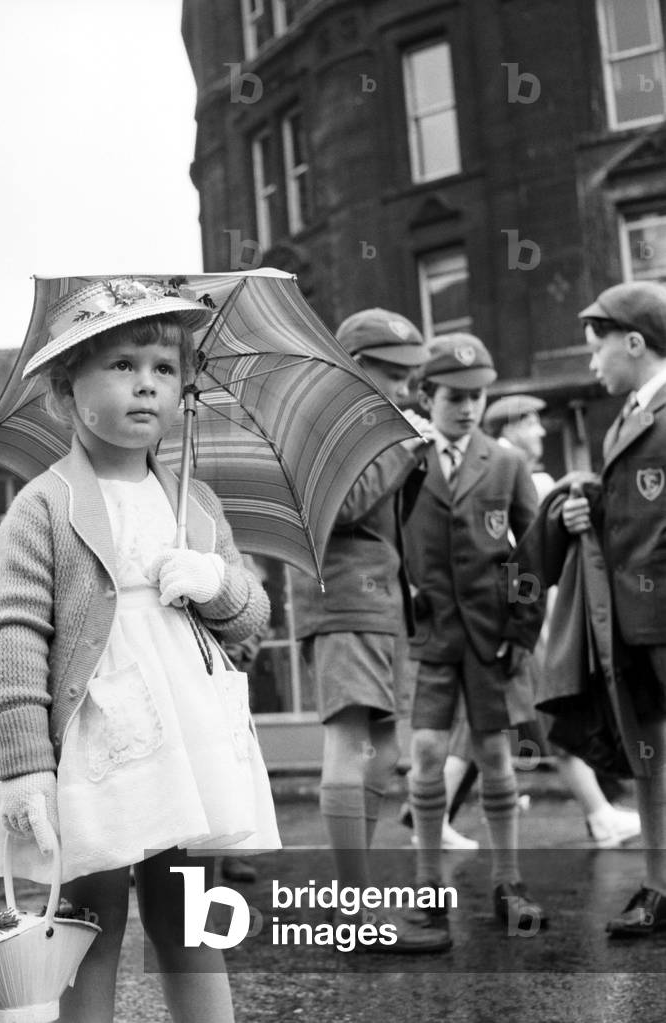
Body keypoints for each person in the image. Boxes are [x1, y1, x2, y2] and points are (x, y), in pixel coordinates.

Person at [0, 277, 280, 1023]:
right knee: (87, 926)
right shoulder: (41, 506)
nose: (147, 383)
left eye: (164, 369)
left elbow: (251, 624)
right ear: (68, 389)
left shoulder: (194, 503)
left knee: (189, 926)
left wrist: (214, 581)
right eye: (122, 365)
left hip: (190, 743)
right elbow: (15, 639)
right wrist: (23, 770)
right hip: (95, 744)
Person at [293, 308, 449, 951]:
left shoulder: (370, 426)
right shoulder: (332, 425)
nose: (412, 389)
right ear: (357, 368)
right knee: (351, 747)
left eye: (415, 376)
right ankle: (350, 916)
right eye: (396, 374)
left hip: (380, 606)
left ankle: (353, 906)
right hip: (345, 605)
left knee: (384, 752)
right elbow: (347, 507)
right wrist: (406, 445)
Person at [403, 335, 547, 937]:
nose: (466, 408)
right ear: (426, 395)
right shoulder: (406, 460)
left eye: (477, 396)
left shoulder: (506, 462)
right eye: (454, 397)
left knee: (494, 758)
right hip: (431, 635)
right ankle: (429, 884)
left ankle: (507, 882)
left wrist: (522, 625)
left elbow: (533, 552)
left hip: (492, 638)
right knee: (429, 755)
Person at [487, 394, 640, 848]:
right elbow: (526, 560)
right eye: (531, 423)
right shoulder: (507, 471)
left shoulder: (527, 475)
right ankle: (600, 815)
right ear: (511, 427)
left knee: (477, 731)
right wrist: (540, 624)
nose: (540, 432)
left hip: (533, 619)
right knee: (549, 712)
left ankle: (425, 814)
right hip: (525, 622)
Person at [560, 281, 666, 936]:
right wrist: (590, 507)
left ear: (633, 342)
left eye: (597, 345)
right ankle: (656, 887)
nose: (591, 360)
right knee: (648, 754)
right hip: (630, 619)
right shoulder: (627, 417)